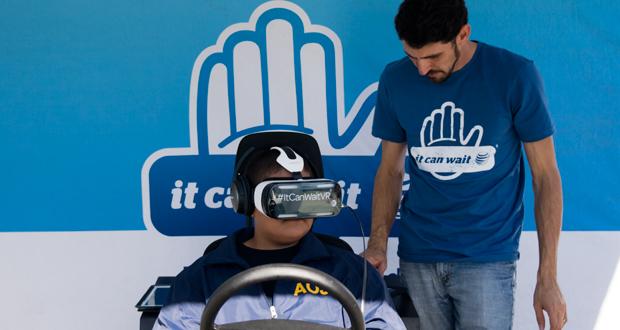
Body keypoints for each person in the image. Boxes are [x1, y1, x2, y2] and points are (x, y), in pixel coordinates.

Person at [362, 0, 567, 329]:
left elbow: (546, 177)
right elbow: (390, 170)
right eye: (413, 57)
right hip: (417, 256)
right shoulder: (395, 78)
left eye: (433, 57)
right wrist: (378, 242)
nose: (422, 70)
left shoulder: (514, 74)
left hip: (486, 258)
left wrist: (548, 277)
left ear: (463, 34)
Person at [154, 132, 406, 330]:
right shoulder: (200, 280)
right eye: (284, 197)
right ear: (245, 201)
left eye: (306, 194)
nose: (298, 209)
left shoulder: (355, 277)